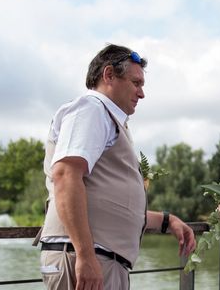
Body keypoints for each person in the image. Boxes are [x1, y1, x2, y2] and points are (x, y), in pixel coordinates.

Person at [38, 44, 196, 290]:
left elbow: (110, 205)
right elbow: (66, 176)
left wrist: (167, 220)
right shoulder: (91, 109)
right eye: (136, 83)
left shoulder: (105, 118)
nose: (141, 93)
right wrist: (86, 256)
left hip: (99, 259)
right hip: (88, 259)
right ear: (109, 75)